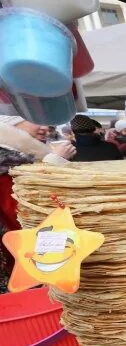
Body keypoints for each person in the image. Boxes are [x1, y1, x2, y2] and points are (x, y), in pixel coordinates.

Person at [0, 115, 76, 292]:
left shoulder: (22, 160)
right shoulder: (6, 164)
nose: (45, 127)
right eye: (35, 119)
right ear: (10, 125)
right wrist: (52, 164)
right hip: (25, 259)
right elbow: (26, 215)